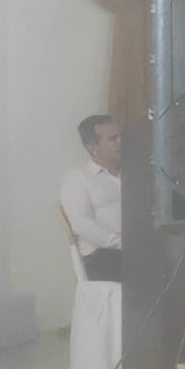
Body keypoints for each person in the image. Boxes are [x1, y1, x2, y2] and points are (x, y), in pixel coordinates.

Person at [59, 115, 123, 282]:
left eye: (121, 136)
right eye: (113, 139)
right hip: (103, 257)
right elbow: (82, 224)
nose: (121, 142)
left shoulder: (134, 174)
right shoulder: (78, 178)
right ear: (92, 147)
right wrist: (121, 243)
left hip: (137, 252)